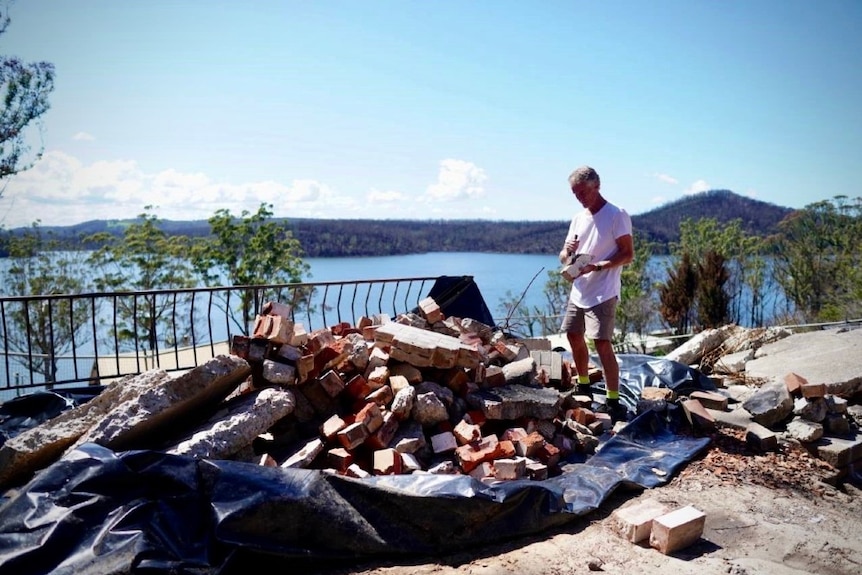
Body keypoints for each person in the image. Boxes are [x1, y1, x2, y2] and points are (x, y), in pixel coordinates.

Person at [559, 165, 634, 422]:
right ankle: (583, 386)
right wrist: (568, 253)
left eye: (583, 192)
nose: (580, 198)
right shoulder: (579, 218)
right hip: (579, 288)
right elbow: (563, 257)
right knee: (573, 334)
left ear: (596, 186)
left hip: (603, 291)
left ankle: (613, 401)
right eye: (576, 194)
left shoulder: (616, 215)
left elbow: (628, 254)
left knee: (602, 343)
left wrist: (599, 266)